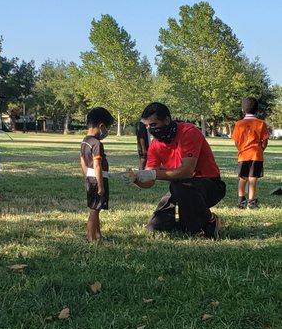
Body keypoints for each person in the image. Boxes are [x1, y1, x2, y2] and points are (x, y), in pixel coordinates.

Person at [126, 102, 226, 239]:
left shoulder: (189, 132)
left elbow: (186, 172)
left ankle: (210, 220)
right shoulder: (155, 145)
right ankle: (188, 221)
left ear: (167, 120)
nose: (150, 129)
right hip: (181, 186)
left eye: (153, 125)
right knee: (155, 226)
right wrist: (137, 178)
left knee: (178, 186)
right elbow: (149, 182)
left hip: (210, 185)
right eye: (147, 126)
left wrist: (152, 173)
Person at [80, 107, 115, 242]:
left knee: (96, 208)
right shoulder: (96, 143)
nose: (107, 131)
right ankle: (91, 237)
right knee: (94, 210)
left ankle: (98, 234)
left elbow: (82, 160)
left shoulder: (85, 141)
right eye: (107, 128)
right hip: (98, 179)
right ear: (101, 126)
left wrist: (86, 177)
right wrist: (100, 185)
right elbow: (97, 165)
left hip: (90, 178)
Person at [232, 97, 270, 209]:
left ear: (243, 109)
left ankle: (241, 201)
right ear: (257, 110)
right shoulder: (261, 123)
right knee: (253, 179)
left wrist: (240, 150)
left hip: (243, 155)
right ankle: (251, 202)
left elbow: (236, 141)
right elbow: (265, 140)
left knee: (242, 178)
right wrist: (261, 149)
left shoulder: (238, 124)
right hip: (256, 155)